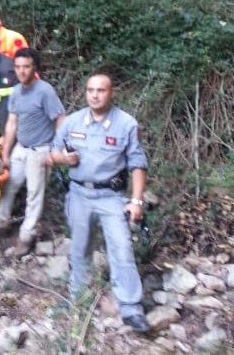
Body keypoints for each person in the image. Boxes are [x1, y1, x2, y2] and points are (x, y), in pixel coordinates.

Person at [49, 73, 150, 333]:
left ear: (111, 92)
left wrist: (136, 201)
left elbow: (138, 165)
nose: (94, 95)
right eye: (90, 90)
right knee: (79, 249)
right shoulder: (72, 122)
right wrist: (63, 159)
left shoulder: (126, 124)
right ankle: (78, 299)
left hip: (111, 197)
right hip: (80, 194)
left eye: (100, 90)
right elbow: (51, 154)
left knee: (122, 249)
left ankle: (131, 308)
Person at [0, 48, 65, 257]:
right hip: (20, 148)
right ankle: (0, 223)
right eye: (18, 67)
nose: (21, 71)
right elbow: (11, 124)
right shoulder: (15, 92)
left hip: (40, 149)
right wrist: (5, 154)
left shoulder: (45, 91)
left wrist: (55, 151)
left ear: (34, 67)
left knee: (34, 194)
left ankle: (26, 237)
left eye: (26, 67)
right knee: (8, 185)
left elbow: (60, 119)